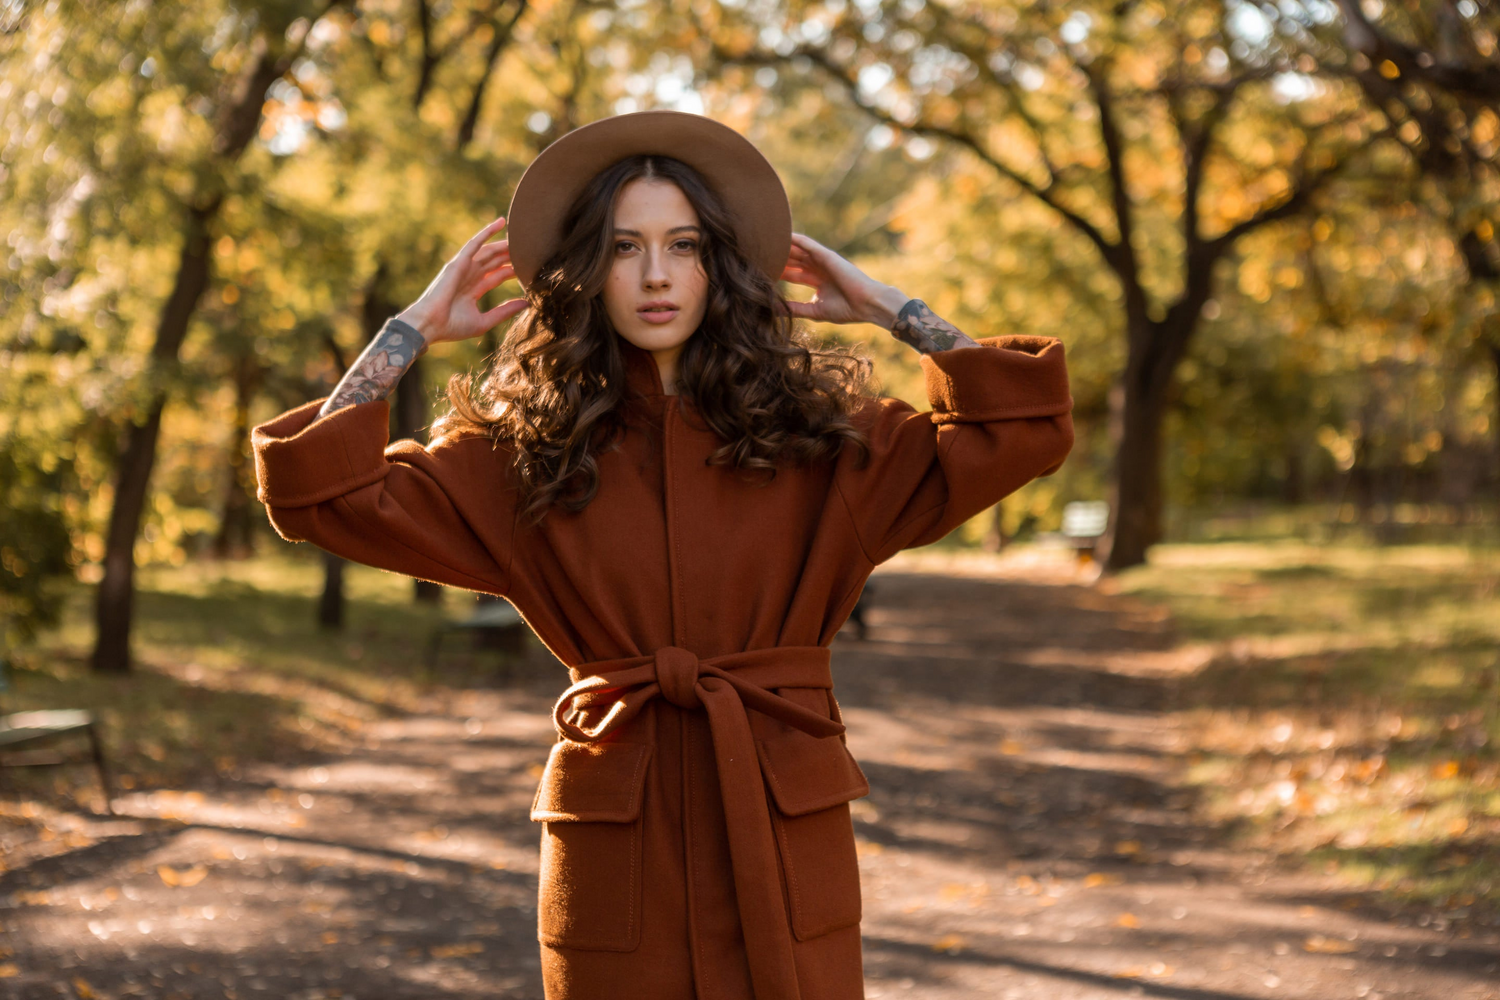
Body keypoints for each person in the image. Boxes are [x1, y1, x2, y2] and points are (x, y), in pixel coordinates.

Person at [252, 109, 1074, 1000]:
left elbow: (1019, 429)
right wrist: (405, 334)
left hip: (781, 832)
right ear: (585, 270)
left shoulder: (827, 442)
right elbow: (316, 495)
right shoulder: (521, 455)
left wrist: (889, 308)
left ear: (718, 263)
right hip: (617, 853)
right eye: (621, 248)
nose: (654, 275)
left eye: (683, 246)